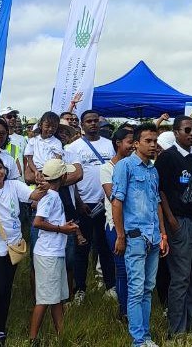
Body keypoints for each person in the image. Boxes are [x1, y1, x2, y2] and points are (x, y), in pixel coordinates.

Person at [0, 155, 46, 345]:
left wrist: (43, 184)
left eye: (0, 168)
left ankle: (0, 329)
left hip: (13, 246)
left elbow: (34, 195)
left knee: (5, 288)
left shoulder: (13, 186)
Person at [155, 116, 192, 345]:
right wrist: (170, 220)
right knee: (180, 278)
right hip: (179, 222)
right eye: (187, 130)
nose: (191, 134)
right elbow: (161, 191)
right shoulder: (167, 158)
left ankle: (191, 327)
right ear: (176, 132)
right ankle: (176, 332)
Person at [111, 123, 165, 347]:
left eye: (155, 141)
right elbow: (117, 202)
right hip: (134, 237)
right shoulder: (125, 166)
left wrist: (163, 233)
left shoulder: (153, 170)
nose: (153, 145)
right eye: (148, 141)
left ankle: (146, 336)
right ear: (136, 143)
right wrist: (121, 235)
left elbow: (157, 203)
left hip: (153, 237)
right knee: (135, 288)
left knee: (147, 289)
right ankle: (138, 340)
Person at [63, 110, 115, 303]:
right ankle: (80, 289)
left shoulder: (110, 145)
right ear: (82, 125)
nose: (93, 124)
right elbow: (70, 178)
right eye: (89, 121)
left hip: (106, 204)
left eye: (95, 121)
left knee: (106, 247)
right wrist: (79, 202)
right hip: (83, 204)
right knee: (81, 248)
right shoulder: (72, 148)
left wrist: (108, 199)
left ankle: (110, 286)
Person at [29, 158, 75, 343]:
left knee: (56, 297)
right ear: (63, 177)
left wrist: (63, 226)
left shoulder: (51, 195)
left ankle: (62, 335)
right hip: (48, 253)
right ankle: (33, 338)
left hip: (53, 251)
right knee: (45, 299)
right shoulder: (50, 197)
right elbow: (37, 222)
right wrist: (61, 229)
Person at [100, 127, 135, 321]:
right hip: (115, 226)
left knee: (135, 270)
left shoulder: (138, 165)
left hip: (137, 225)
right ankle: (124, 311)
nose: (133, 146)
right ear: (118, 143)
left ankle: (134, 308)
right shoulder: (107, 168)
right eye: (130, 142)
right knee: (122, 270)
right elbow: (112, 196)